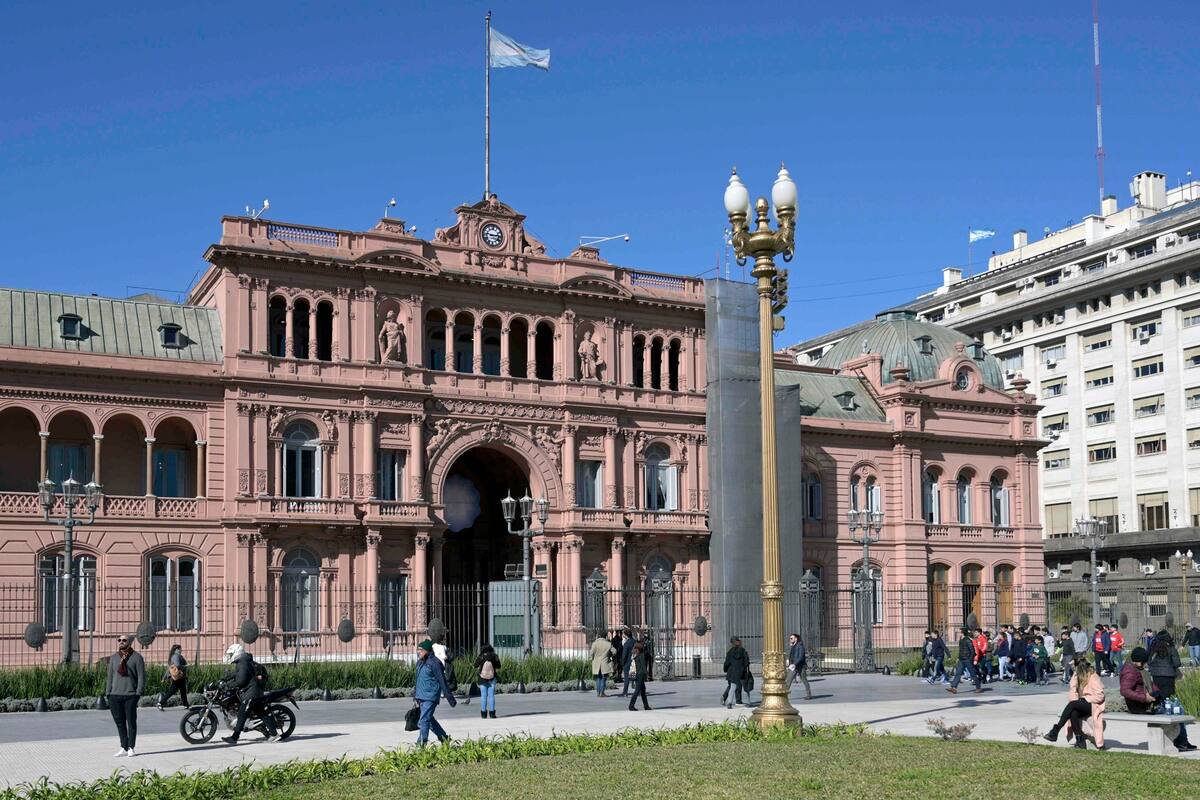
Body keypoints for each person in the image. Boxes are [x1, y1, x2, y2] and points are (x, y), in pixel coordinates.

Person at [1121, 646, 1196, 752]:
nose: (1145, 664)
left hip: (1147, 703)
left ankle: (1181, 742)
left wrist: (1157, 692)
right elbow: (1125, 691)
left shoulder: (1138, 669)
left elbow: (1151, 684)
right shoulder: (1130, 672)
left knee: (1178, 708)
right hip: (1141, 707)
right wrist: (1144, 698)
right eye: (1144, 662)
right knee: (1177, 712)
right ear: (1139, 661)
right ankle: (1181, 743)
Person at [220, 643, 278, 745]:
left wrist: (228, 685)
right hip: (255, 692)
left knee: (242, 714)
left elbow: (241, 680)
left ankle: (234, 738)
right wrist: (225, 678)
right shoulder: (243, 662)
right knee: (261, 713)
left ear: (237, 653)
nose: (230, 656)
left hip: (251, 693)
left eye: (231, 654)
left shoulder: (242, 663)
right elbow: (237, 674)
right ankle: (274, 735)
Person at [1044, 658, 1105, 749]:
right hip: (1081, 704)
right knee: (1073, 713)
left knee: (1072, 705)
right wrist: (1074, 680)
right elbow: (1072, 692)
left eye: (1075, 667)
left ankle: (1056, 729)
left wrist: (1085, 699)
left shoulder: (1093, 676)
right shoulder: (1077, 676)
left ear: (1079, 668)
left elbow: (1100, 696)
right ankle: (1080, 742)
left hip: (1093, 705)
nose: (1073, 669)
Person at [106, 634, 145, 758]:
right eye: (119, 640)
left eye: (124, 640)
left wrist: (138, 693)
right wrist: (108, 692)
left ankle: (131, 747)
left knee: (131, 722)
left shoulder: (137, 658)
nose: (121, 642)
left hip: (130, 695)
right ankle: (123, 746)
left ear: (130, 642)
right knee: (120, 722)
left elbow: (141, 677)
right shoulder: (114, 658)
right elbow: (110, 676)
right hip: (114, 695)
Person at [413, 638, 456, 746]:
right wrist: (415, 695)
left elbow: (442, 680)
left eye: (421, 650)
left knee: (424, 721)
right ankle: (444, 739)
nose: (418, 652)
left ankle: (421, 745)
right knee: (430, 721)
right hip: (421, 696)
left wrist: (450, 698)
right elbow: (418, 680)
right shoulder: (420, 662)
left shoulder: (435, 663)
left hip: (430, 697)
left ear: (427, 651)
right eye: (418, 649)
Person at [1147, 628, 1182, 702]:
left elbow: (1149, 661)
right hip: (1168, 675)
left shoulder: (1154, 648)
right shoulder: (1171, 648)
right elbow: (1177, 663)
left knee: (1158, 695)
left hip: (1156, 675)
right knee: (1168, 697)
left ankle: (1158, 707)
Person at [946, 627, 982, 694]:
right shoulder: (961, 640)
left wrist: (970, 659)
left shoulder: (967, 640)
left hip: (967, 659)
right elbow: (961, 650)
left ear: (962, 632)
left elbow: (972, 650)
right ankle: (954, 688)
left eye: (960, 631)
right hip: (961, 659)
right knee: (958, 673)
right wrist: (958, 658)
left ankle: (978, 687)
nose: (959, 633)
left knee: (972, 674)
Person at [156, 643, 188, 710]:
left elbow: (169, 668)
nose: (181, 650)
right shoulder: (176, 656)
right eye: (180, 649)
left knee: (183, 691)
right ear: (176, 649)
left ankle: (186, 705)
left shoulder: (176, 656)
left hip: (180, 677)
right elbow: (177, 665)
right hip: (178, 677)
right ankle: (160, 703)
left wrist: (164, 678)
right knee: (172, 691)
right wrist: (185, 666)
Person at [473, 642, 500, 719]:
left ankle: (483, 714)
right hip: (492, 678)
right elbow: (499, 666)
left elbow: (475, 665)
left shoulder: (481, 656)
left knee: (483, 696)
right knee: (491, 696)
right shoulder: (494, 656)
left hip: (482, 679)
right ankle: (492, 714)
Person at [722, 637, 750, 708]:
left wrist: (725, 669)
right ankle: (744, 701)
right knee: (743, 686)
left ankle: (729, 702)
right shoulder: (743, 651)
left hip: (731, 671)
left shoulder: (730, 652)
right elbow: (746, 662)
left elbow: (727, 663)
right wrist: (744, 668)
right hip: (740, 671)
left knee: (732, 686)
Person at [786, 633, 812, 700]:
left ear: (796, 639)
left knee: (804, 680)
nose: (790, 639)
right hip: (793, 666)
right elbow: (791, 656)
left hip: (800, 666)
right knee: (788, 680)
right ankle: (784, 695)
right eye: (790, 638)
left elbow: (800, 657)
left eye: (791, 638)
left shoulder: (800, 646)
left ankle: (809, 695)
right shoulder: (793, 646)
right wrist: (790, 663)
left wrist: (794, 664)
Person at [626, 641, 651, 711]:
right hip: (641, 674)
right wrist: (646, 674)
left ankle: (646, 706)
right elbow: (643, 664)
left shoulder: (635, 654)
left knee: (643, 690)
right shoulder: (641, 654)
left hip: (637, 673)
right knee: (637, 690)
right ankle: (631, 705)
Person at [590, 632, 616, 698]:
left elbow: (591, 653)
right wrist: (610, 655)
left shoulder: (595, 643)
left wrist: (592, 658)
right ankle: (602, 692)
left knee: (598, 678)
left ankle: (598, 693)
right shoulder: (608, 644)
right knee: (603, 678)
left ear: (599, 636)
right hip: (605, 662)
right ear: (606, 636)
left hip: (596, 663)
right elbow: (615, 651)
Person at [618, 629, 637, 697]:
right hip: (635, 662)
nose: (623, 635)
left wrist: (622, 663)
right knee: (636, 677)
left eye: (623, 634)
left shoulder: (627, 643)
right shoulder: (635, 642)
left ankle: (625, 692)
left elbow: (624, 655)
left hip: (627, 662)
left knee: (626, 678)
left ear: (626, 635)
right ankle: (638, 691)